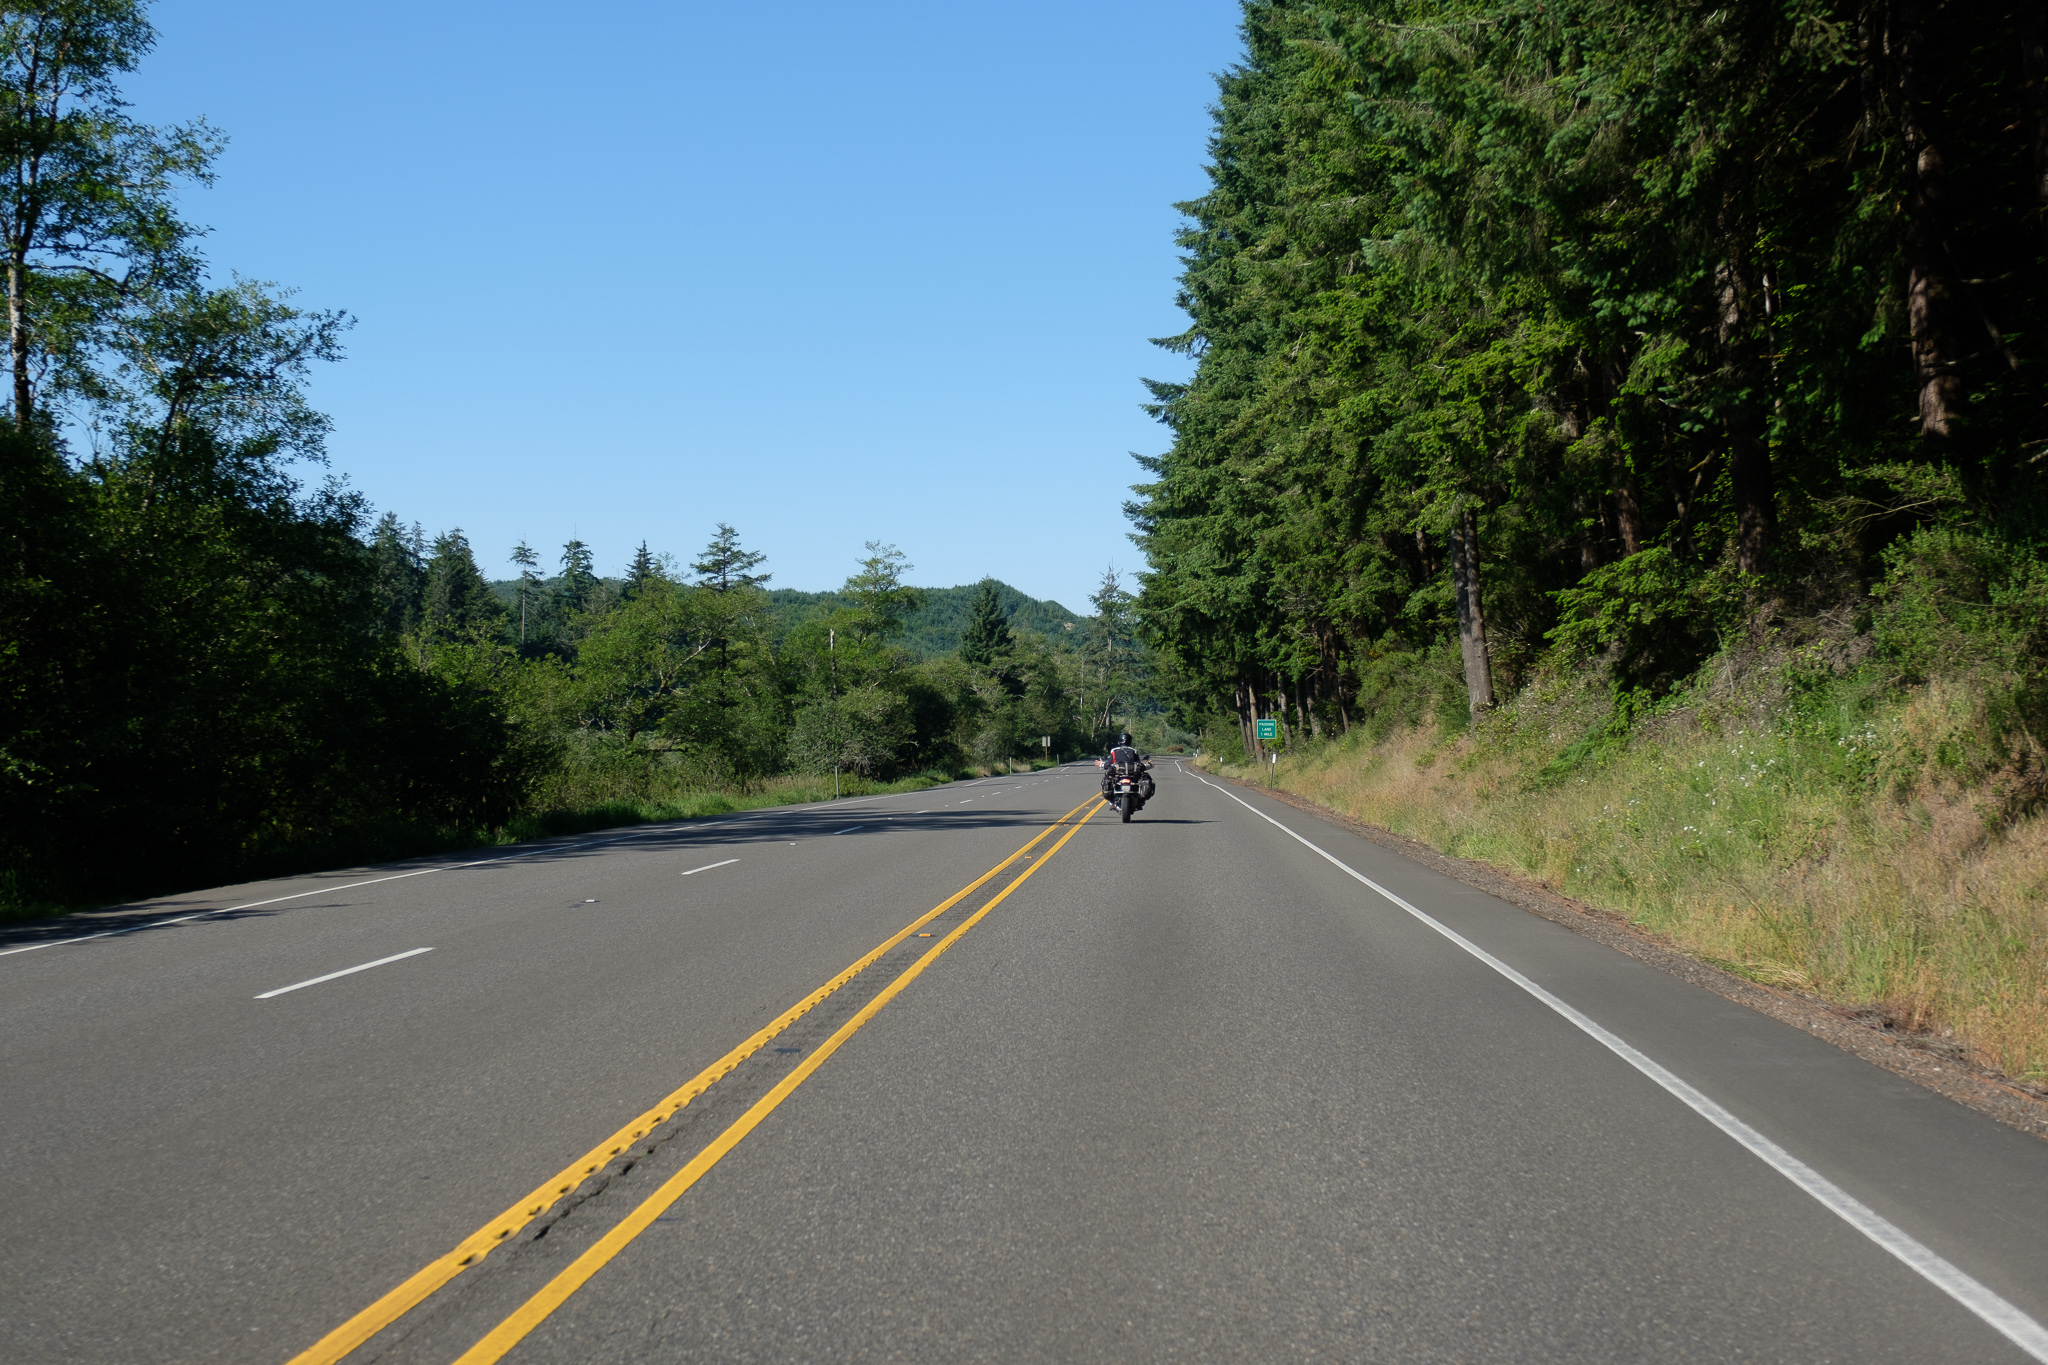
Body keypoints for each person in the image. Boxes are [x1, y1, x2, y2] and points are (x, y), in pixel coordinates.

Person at [1099, 732, 1154, 802]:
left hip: (1118, 775)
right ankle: (1140, 798)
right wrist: (1148, 764)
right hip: (1132, 775)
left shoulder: (1114, 751)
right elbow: (1138, 764)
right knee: (1144, 777)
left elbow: (1108, 764)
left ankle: (1112, 798)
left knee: (1108, 777)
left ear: (1120, 741)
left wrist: (1101, 764)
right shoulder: (1133, 751)